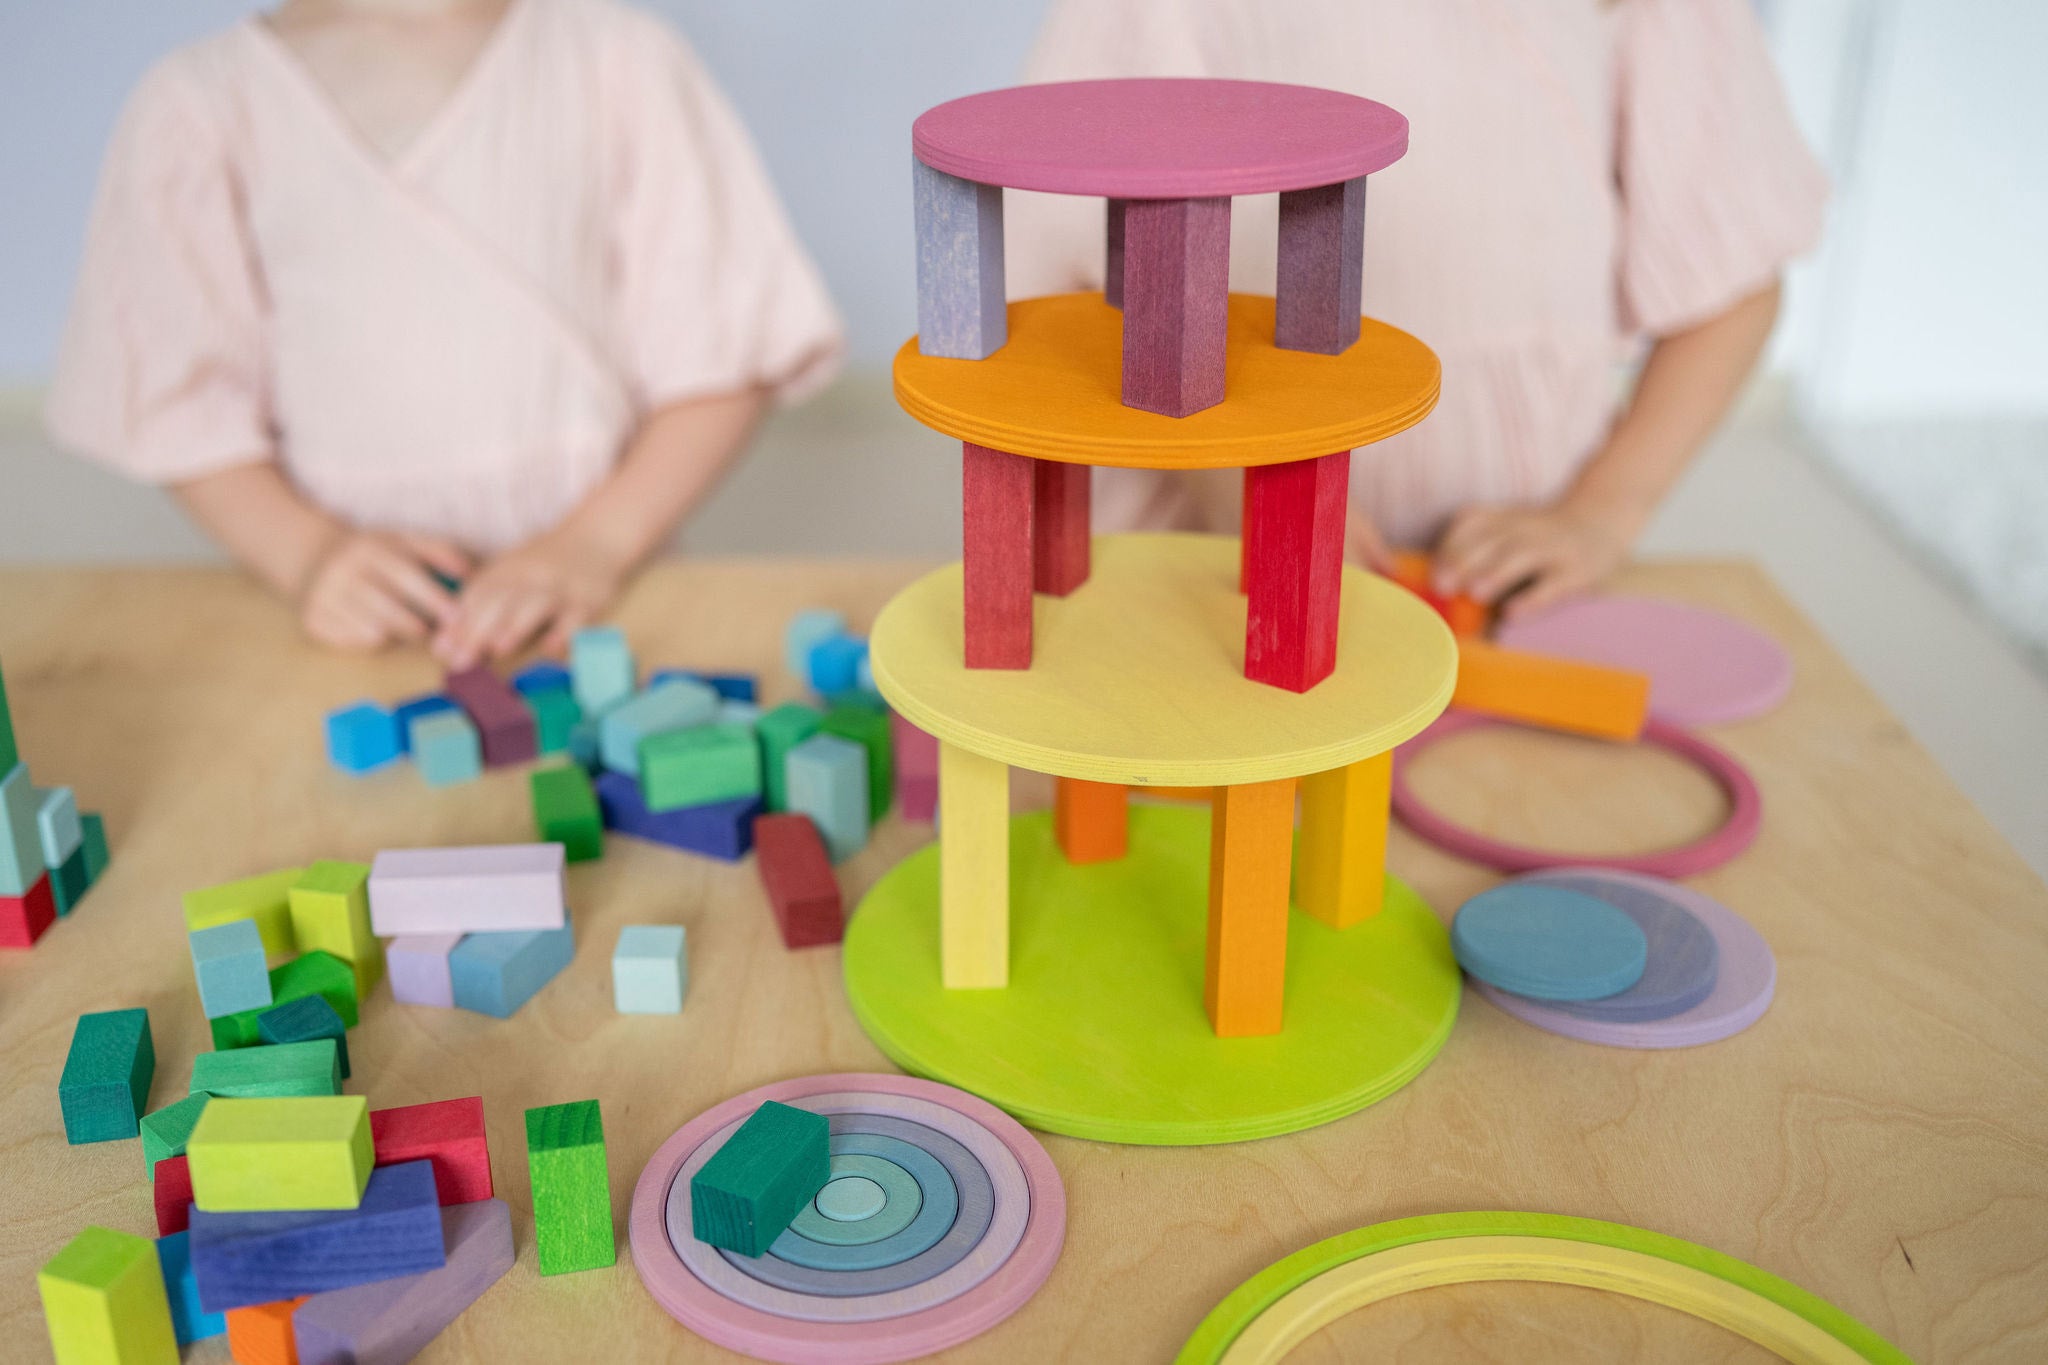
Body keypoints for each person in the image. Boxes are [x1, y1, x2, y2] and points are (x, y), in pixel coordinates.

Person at [47, 0, 840, 664]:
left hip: (607, 599)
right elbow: (180, 401)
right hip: (349, 622)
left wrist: (593, 546)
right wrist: (308, 555)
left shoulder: (621, 58)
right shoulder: (201, 103)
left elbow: (725, 357)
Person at [1006, 0, 1826, 619]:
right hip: (1197, 569)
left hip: (1508, 592)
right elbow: (1066, 280)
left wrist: (1603, 512)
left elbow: (1736, 287)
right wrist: (1232, 477)